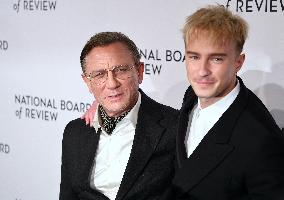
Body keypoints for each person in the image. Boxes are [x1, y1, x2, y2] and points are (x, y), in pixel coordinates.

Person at [172, 5, 284, 200]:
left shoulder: (261, 139)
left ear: (238, 62)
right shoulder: (191, 95)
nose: (202, 71)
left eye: (216, 59)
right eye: (194, 57)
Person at [59, 32, 178, 200]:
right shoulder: (75, 132)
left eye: (121, 70)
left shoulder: (176, 128)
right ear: (87, 82)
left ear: (140, 71)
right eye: (99, 74)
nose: (112, 83)